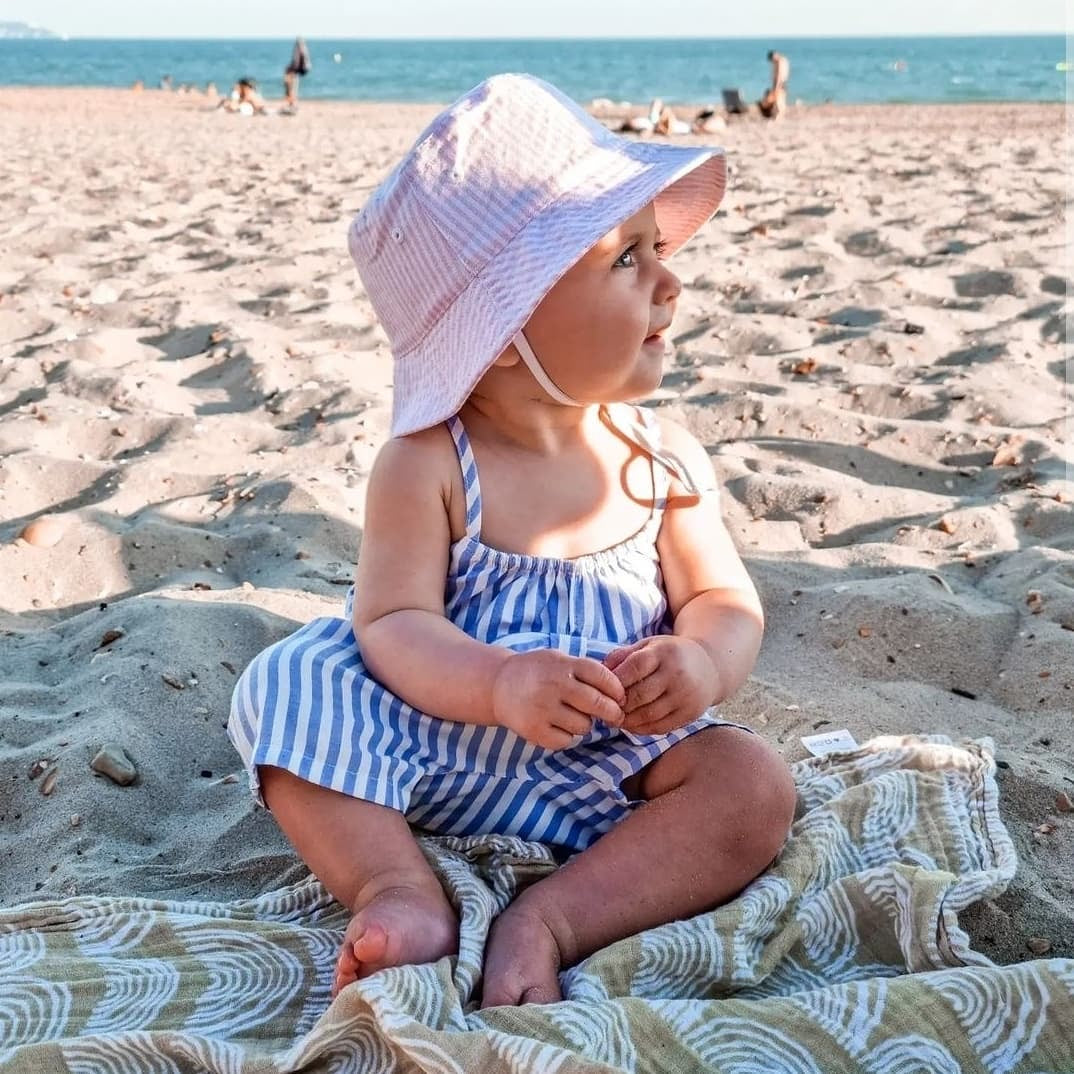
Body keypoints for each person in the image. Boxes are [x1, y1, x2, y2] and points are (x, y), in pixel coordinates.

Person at [228, 73, 796, 1008]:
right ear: (499, 330)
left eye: (660, 248)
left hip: (614, 760)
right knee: (284, 686)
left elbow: (724, 600)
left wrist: (699, 663)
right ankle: (399, 885)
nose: (670, 281)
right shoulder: (428, 464)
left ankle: (554, 918)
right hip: (435, 748)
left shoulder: (661, 458)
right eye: (627, 259)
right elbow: (392, 622)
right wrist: (498, 682)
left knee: (752, 785)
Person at [760, 49, 790, 119]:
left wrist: (776, 86)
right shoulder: (784, 60)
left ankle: (778, 116)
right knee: (780, 99)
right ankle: (779, 115)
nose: (772, 62)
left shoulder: (779, 62)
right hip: (783, 82)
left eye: (772, 60)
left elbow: (779, 75)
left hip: (779, 83)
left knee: (778, 100)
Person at [283, 36, 311, 110]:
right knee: (292, 88)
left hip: (295, 71)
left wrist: (292, 69)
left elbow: (296, 61)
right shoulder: (304, 49)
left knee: (290, 88)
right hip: (298, 71)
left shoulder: (300, 49)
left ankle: (292, 104)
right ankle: (292, 103)